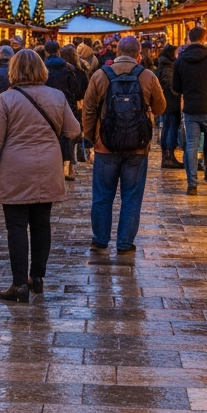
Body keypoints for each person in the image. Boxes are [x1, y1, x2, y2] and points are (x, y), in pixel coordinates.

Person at [0, 50, 81, 303]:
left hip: (15, 168)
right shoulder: (56, 96)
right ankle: (37, 278)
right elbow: (74, 130)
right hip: (48, 166)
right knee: (41, 223)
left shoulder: (6, 99)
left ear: (13, 71)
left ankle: (19, 284)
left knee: (16, 226)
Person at [82, 35, 166, 254]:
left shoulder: (100, 75)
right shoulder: (147, 76)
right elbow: (160, 108)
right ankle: (125, 243)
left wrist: (92, 137)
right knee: (131, 197)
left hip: (105, 146)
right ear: (138, 55)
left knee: (102, 196)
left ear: (117, 52)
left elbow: (89, 111)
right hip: (137, 147)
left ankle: (101, 240)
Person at [173, 26, 207, 196]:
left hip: (191, 108)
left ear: (189, 38)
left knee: (191, 146)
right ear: (205, 38)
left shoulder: (181, 60)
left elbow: (176, 87)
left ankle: (192, 185)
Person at [43, 40, 86, 180]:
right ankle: (68, 166)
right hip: (67, 105)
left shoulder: (41, 68)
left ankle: (53, 166)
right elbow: (76, 91)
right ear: (58, 51)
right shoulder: (69, 68)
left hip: (46, 105)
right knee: (67, 135)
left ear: (46, 51)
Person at [60, 44, 91, 164]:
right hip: (77, 106)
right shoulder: (80, 72)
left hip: (61, 105)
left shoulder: (60, 72)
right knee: (74, 132)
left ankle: (66, 159)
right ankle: (71, 159)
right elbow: (84, 91)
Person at [154, 45, 183, 170]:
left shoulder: (164, 64)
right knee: (171, 127)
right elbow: (169, 83)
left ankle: (167, 156)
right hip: (171, 102)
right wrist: (177, 93)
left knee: (167, 127)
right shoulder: (168, 66)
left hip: (167, 102)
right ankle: (169, 156)